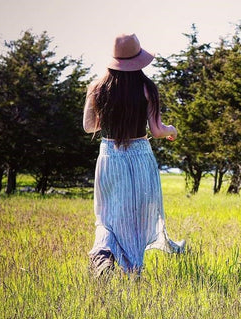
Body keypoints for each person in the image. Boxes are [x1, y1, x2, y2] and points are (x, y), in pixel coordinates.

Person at [83, 33, 185, 276]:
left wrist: (112, 118)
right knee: (137, 215)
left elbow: (88, 126)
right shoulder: (147, 88)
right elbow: (158, 131)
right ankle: (132, 270)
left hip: (109, 156)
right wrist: (173, 130)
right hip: (139, 155)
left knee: (108, 215)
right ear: (138, 59)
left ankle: (102, 256)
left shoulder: (97, 87)